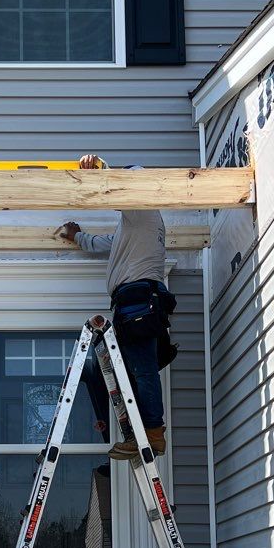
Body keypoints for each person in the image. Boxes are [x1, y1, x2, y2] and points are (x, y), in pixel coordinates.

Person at [59, 153, 177, 459]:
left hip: (138, 300)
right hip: (132, 302)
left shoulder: (144, 211)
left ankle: (152, 432)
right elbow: (107, 244)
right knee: (122, 370)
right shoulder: (135, 227)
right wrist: (78, 237)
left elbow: (118, 189)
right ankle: (140, 431)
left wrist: (98, 169)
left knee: (142, 369)